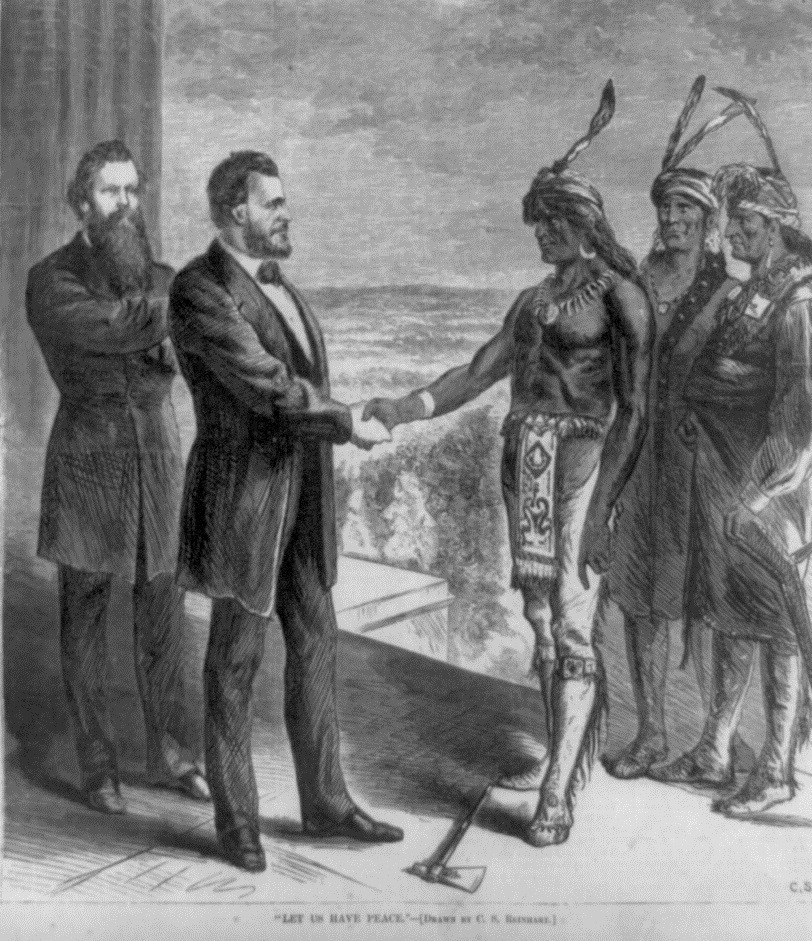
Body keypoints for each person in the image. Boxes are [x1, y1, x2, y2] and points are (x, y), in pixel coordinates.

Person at [364, 83, 653, 847]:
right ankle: (560, 753)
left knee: (574, 628)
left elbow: (637, 409)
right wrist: (407, 406)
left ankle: (556, 790)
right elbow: (478, 369)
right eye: (535, 224)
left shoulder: (623, 295)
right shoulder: (531, 301)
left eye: (547, 224)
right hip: (523, 465)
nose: (537, 236)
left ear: (576, 222)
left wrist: (598, 515)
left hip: (583, 468)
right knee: (539, 624)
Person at [168, 150, 401, 873]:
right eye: (273, 203)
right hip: (243, 499)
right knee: (234, 660)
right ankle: (237, 822)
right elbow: (267, 386)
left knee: (316, 643)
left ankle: (324, 800)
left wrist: (332, 421)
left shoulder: (283, 289)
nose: (285, 212)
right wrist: (345, 420)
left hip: (303, 500)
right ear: (235, 211)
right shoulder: (198, 289)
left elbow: (296, 382)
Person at [649, 94, 812, 816]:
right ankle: (714, 748)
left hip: (771, 494)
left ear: (776, 227)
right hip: (725, 480)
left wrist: (761, 497)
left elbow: (808, 417)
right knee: (731, 618)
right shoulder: (749, 288)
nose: (732, 233)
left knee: (778, 627)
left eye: (746, 224)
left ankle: (778, 768)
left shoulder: (799, 300)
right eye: (732, 222)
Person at [26, 140, 209, 814]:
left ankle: (174, 755)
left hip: (159, 459)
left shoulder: (161, 276)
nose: (127, 204)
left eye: (133, 190)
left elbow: (189, 361)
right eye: (111, 192)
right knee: (85, 617)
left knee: (163, 610)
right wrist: (182, 304)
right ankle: (97, 764)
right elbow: (111, 329)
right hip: (88, 459)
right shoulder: (51, 280)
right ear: (83, 203)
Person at [604, 78, 754, 779]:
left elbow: (747, 381)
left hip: (704, 469)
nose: (673, 219)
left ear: (706, 220)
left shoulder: (728, 295)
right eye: (665, 208)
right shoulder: (631, 282)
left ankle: (714, 742)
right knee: (640, 598)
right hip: (642, 461)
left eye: (686, 209)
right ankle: (652, 732)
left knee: (712, 603)